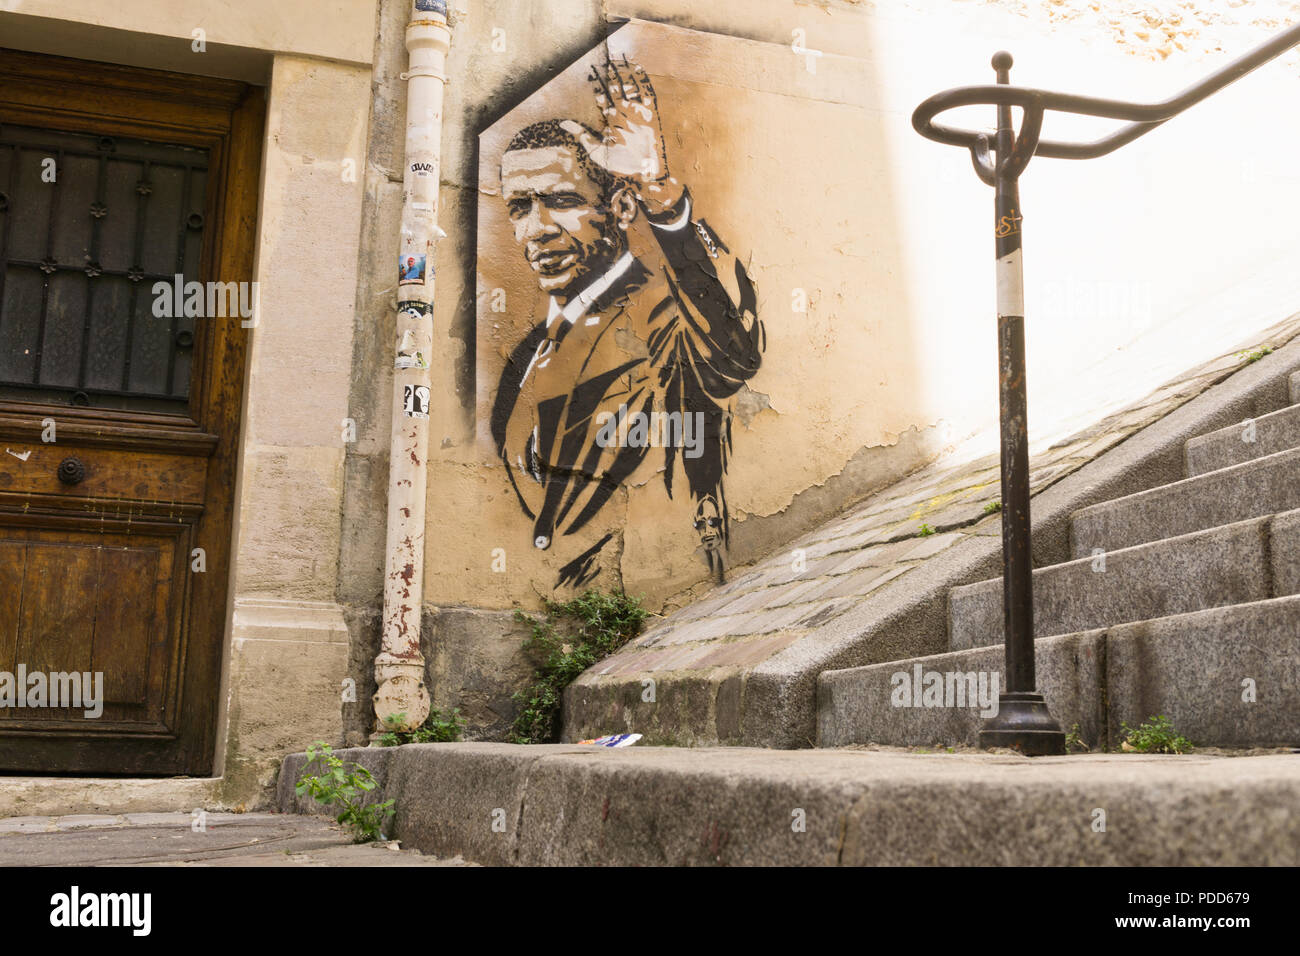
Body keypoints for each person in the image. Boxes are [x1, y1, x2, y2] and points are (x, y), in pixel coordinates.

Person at [490, 56, 764, 585]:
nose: (537, 229)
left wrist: (660, 195)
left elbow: (736, 352)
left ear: (619, 207)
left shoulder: (662, 308)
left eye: (562, 201)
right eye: (519, 208)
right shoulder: (528, 352)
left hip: (650, 581)